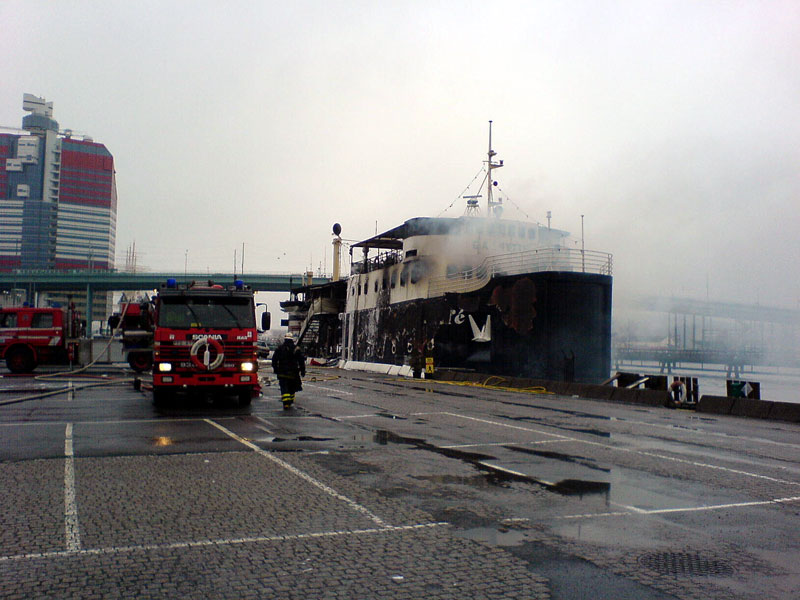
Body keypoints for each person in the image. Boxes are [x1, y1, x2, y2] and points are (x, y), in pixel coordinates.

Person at [272, 334, 306, 409]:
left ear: (285, 339)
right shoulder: (296, 349)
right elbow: (301, 361)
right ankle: (290, 401)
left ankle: (286, 403)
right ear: (292, 339)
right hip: (293, 373)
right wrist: (303, 370)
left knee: (284, 388)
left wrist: (275, 369)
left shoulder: (280, 348)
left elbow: (274, 360)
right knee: (292, 388)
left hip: (282, 372)